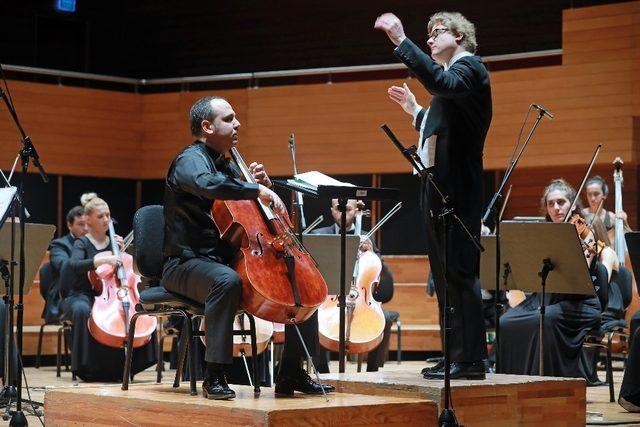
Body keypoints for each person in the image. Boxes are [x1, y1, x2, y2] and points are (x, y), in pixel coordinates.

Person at [162, 96, 334, 400]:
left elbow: (245, 214)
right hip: (185, 264)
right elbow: (208, 185)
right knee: (227, 281)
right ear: (207, 126)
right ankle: (214, 375)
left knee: (301, 282)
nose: (237, 123)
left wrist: (257, 186)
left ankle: (291, 372)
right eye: (228, 119)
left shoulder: (225, 165)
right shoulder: (190, 160)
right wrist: (256, 189)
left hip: (221, 260)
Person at [375, 11, 492, 379]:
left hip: (458, 185)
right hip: (438, 186)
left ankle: (471, 360)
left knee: (459, 272)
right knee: (443, 276)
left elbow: (443, 84)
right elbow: (441, 123)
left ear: (458, 35)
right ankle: (454, 353)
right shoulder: (451, 82)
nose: (429, 39)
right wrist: (415, 111)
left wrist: (400, 40)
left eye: (435, 33)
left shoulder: (470, 68)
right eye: (424, 36)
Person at [498, 179, 611, 381]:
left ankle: (545, 382)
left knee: (545, 319)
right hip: (546, 297)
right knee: (506, 321)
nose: (556, 208)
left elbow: (578, 274)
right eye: (551, 204)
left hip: (578, 304)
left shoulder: (586, 234)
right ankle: (513, 380)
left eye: (561, 202)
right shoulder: (543, 235)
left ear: (573, 205)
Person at [60, 193, 156, 381]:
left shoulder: (114, 242)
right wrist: (99, 259)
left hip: (112, 293)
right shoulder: (82, 242)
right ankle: (87, 366)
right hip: (84, 293)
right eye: (100, 216)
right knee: (82, 310)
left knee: (139, 308)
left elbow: (125, 270)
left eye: (108, 215)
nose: (106, 220)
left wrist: (119, 251)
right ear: (88, 219)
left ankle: (131, 363)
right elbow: (73, 265)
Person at [311, 198, 396, 372]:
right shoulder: (320, 235)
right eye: (338, 208)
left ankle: (373, 372)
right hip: (328, 300)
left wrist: (371, 253)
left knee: (384, 319)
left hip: (360, 299)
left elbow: (382, 272)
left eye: (348, 209)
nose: (343, 213)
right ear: (332, 210)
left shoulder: (366, 236)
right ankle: (322, 373)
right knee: (312, 318)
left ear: (356, 211)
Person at [43, 206, 87, 323]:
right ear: (69, 225)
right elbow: (65, 267)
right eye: (81, 224)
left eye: (88, 224)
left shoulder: (94, 243)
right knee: (82, 310)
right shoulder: (59, 245)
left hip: (88, 293)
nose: (86, 228)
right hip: (66, 296)